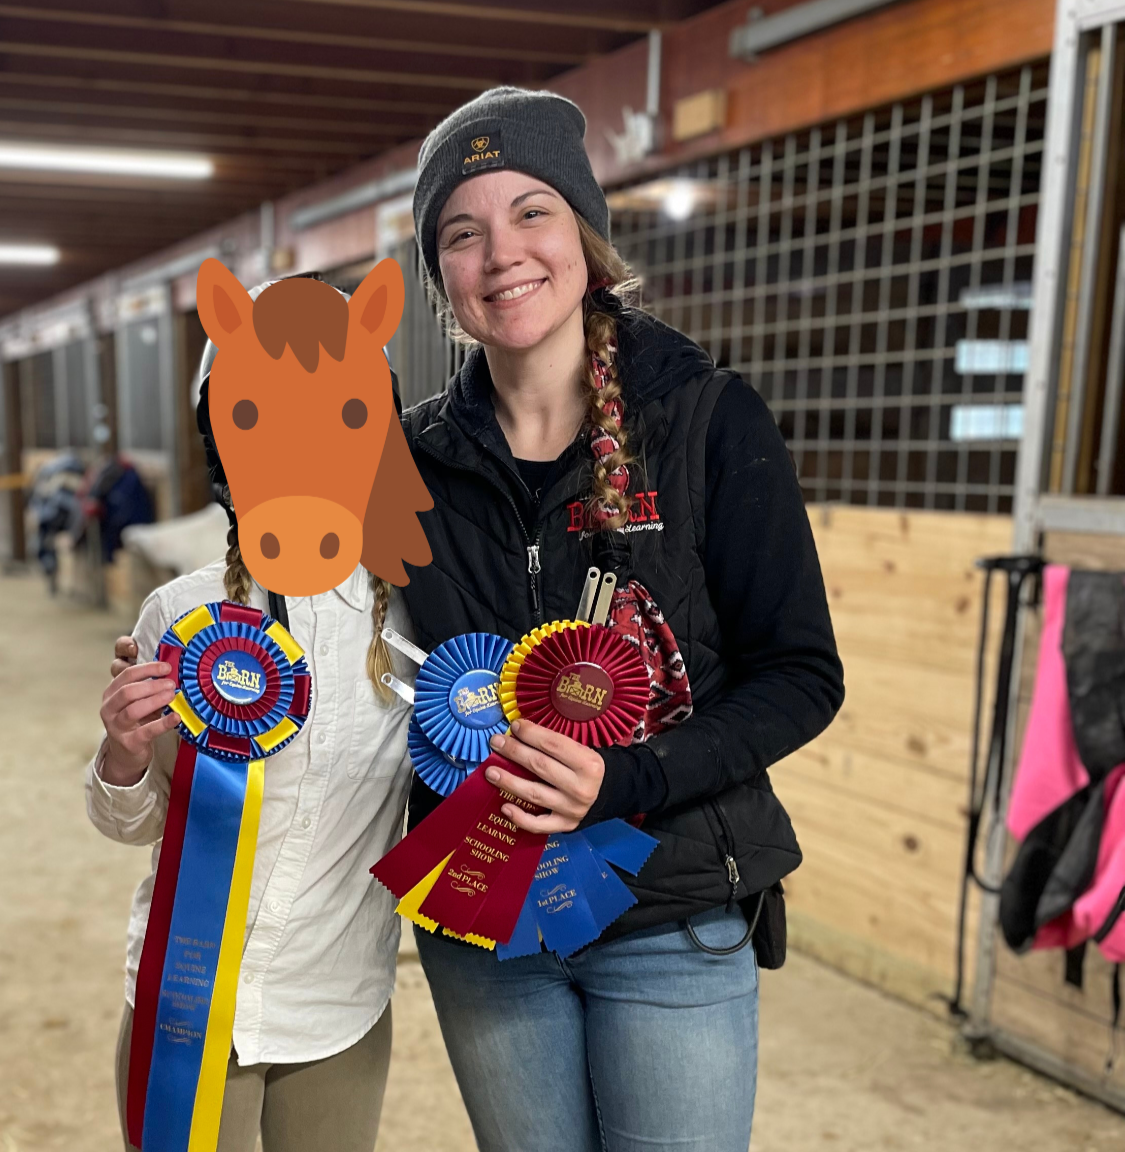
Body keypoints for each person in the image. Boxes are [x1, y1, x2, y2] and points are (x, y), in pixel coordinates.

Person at [394, 87, 845, 1151]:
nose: (501, 252)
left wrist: (627, 781)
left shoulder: (705, 420)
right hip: (485, 921)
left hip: (671, 911)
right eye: (463, 232)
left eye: (532, 211)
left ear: (588, 238)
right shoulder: (405, 466)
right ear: (442, 278)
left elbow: (801, 673)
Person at [86, 279, 418, 1152]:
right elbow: (136, 821)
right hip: (191, 1009)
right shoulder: (178, 616)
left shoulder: (420, 623)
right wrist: (120, 755)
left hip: (337, 1009)